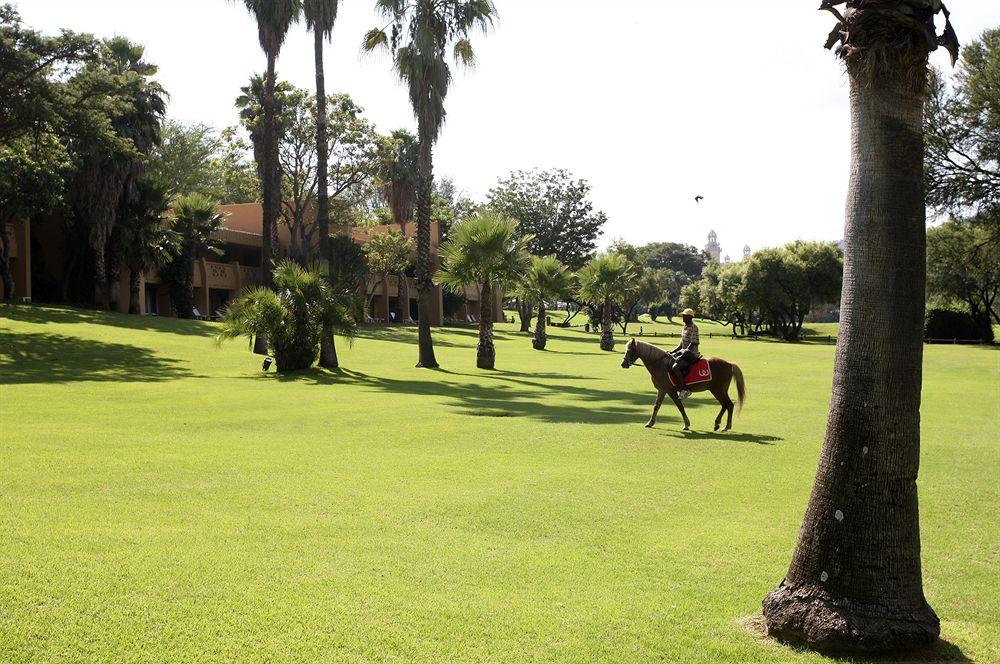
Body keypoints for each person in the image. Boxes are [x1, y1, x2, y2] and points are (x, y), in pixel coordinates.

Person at [670, 308, 701, 399]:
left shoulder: (694, 327)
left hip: (692, 354)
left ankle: (685, 390)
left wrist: (683, 353)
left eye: (685, 316)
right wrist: (672, 351)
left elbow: (693, 343)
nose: (683, 318)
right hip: (684, 352)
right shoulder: (684, 327)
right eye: (683, 316)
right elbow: (681, 344)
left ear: (690, 317)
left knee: (675, 367)